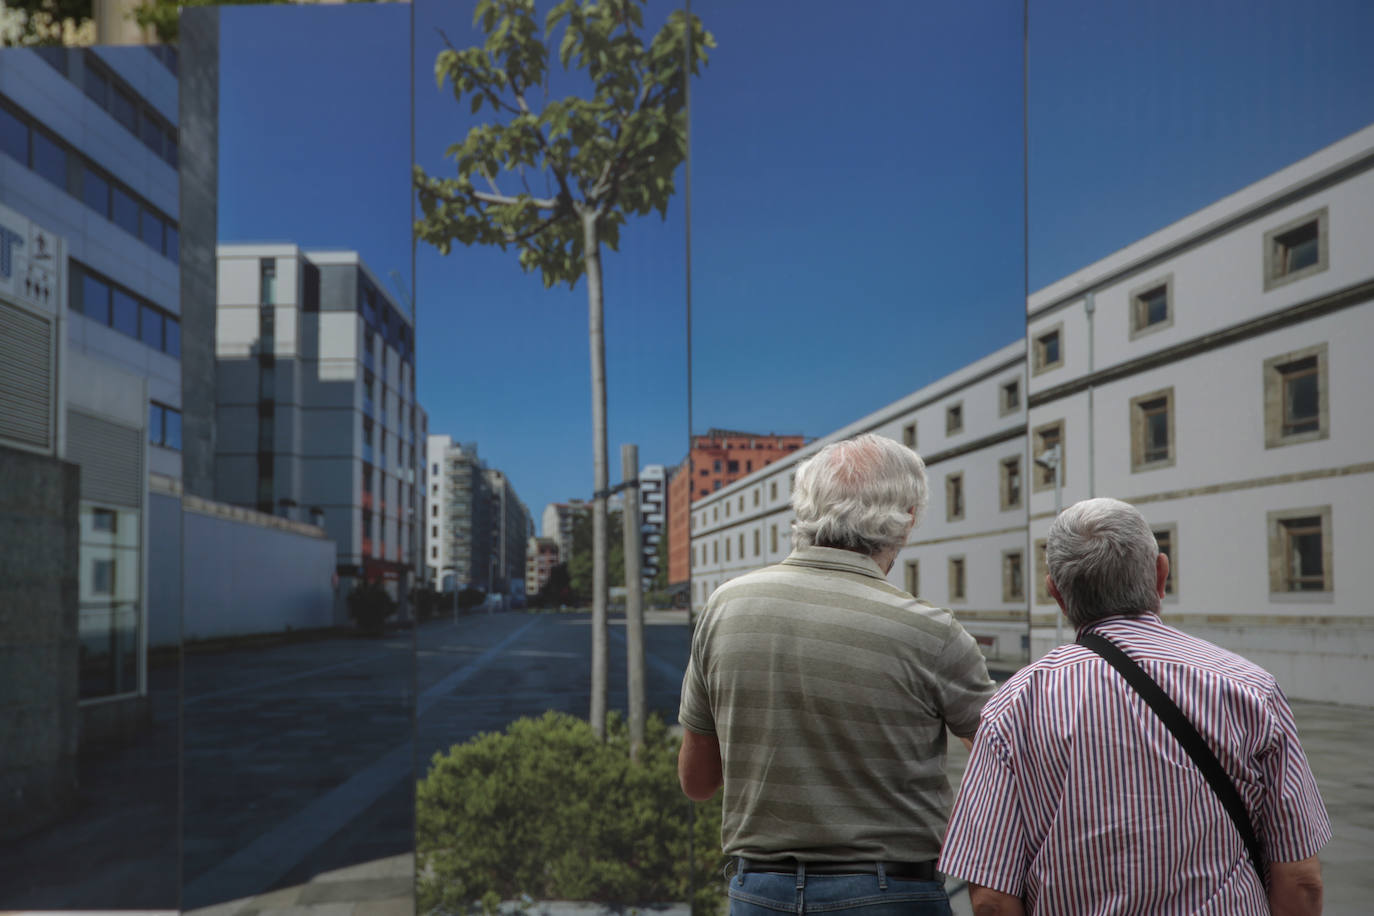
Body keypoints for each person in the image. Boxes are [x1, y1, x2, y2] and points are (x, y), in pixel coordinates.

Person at [939, 497, 1330, 915]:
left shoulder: (1013, 706)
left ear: (1056, 593)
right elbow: (1301, 881)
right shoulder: (1249, 688)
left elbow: (992, 899)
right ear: (1161, 574)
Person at [678, 433, 996, 916]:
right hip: (892, 894)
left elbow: (697, 781)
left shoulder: (726, 607)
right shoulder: (932, 632)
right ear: (907, 521)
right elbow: (1004, 763)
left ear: (803, 508)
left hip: (759, 894)